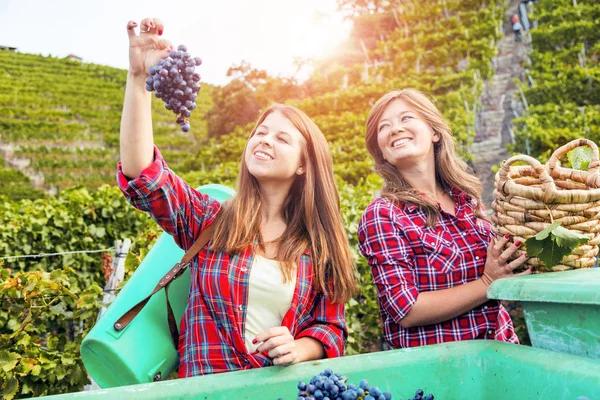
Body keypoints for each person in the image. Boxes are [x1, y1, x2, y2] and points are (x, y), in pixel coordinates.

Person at [118, 17, 357, 377]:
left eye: (282, 138)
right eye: (260, 132)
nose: (264, 140)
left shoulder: (319, 246)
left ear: (304, 166)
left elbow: (331, 329)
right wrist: (138, 80)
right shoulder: (211, 219)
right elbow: (145, 176)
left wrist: (298, 347)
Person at [357, 88, 531, 350]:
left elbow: (503, 270)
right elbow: (405, 310)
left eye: (406, 118)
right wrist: (487, 283)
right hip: (439, 372)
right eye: (384, 126)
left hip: (500, 351)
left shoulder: (467, 200)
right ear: (381, 151)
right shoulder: (383, 215)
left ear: (434, 132)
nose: (395, 129)